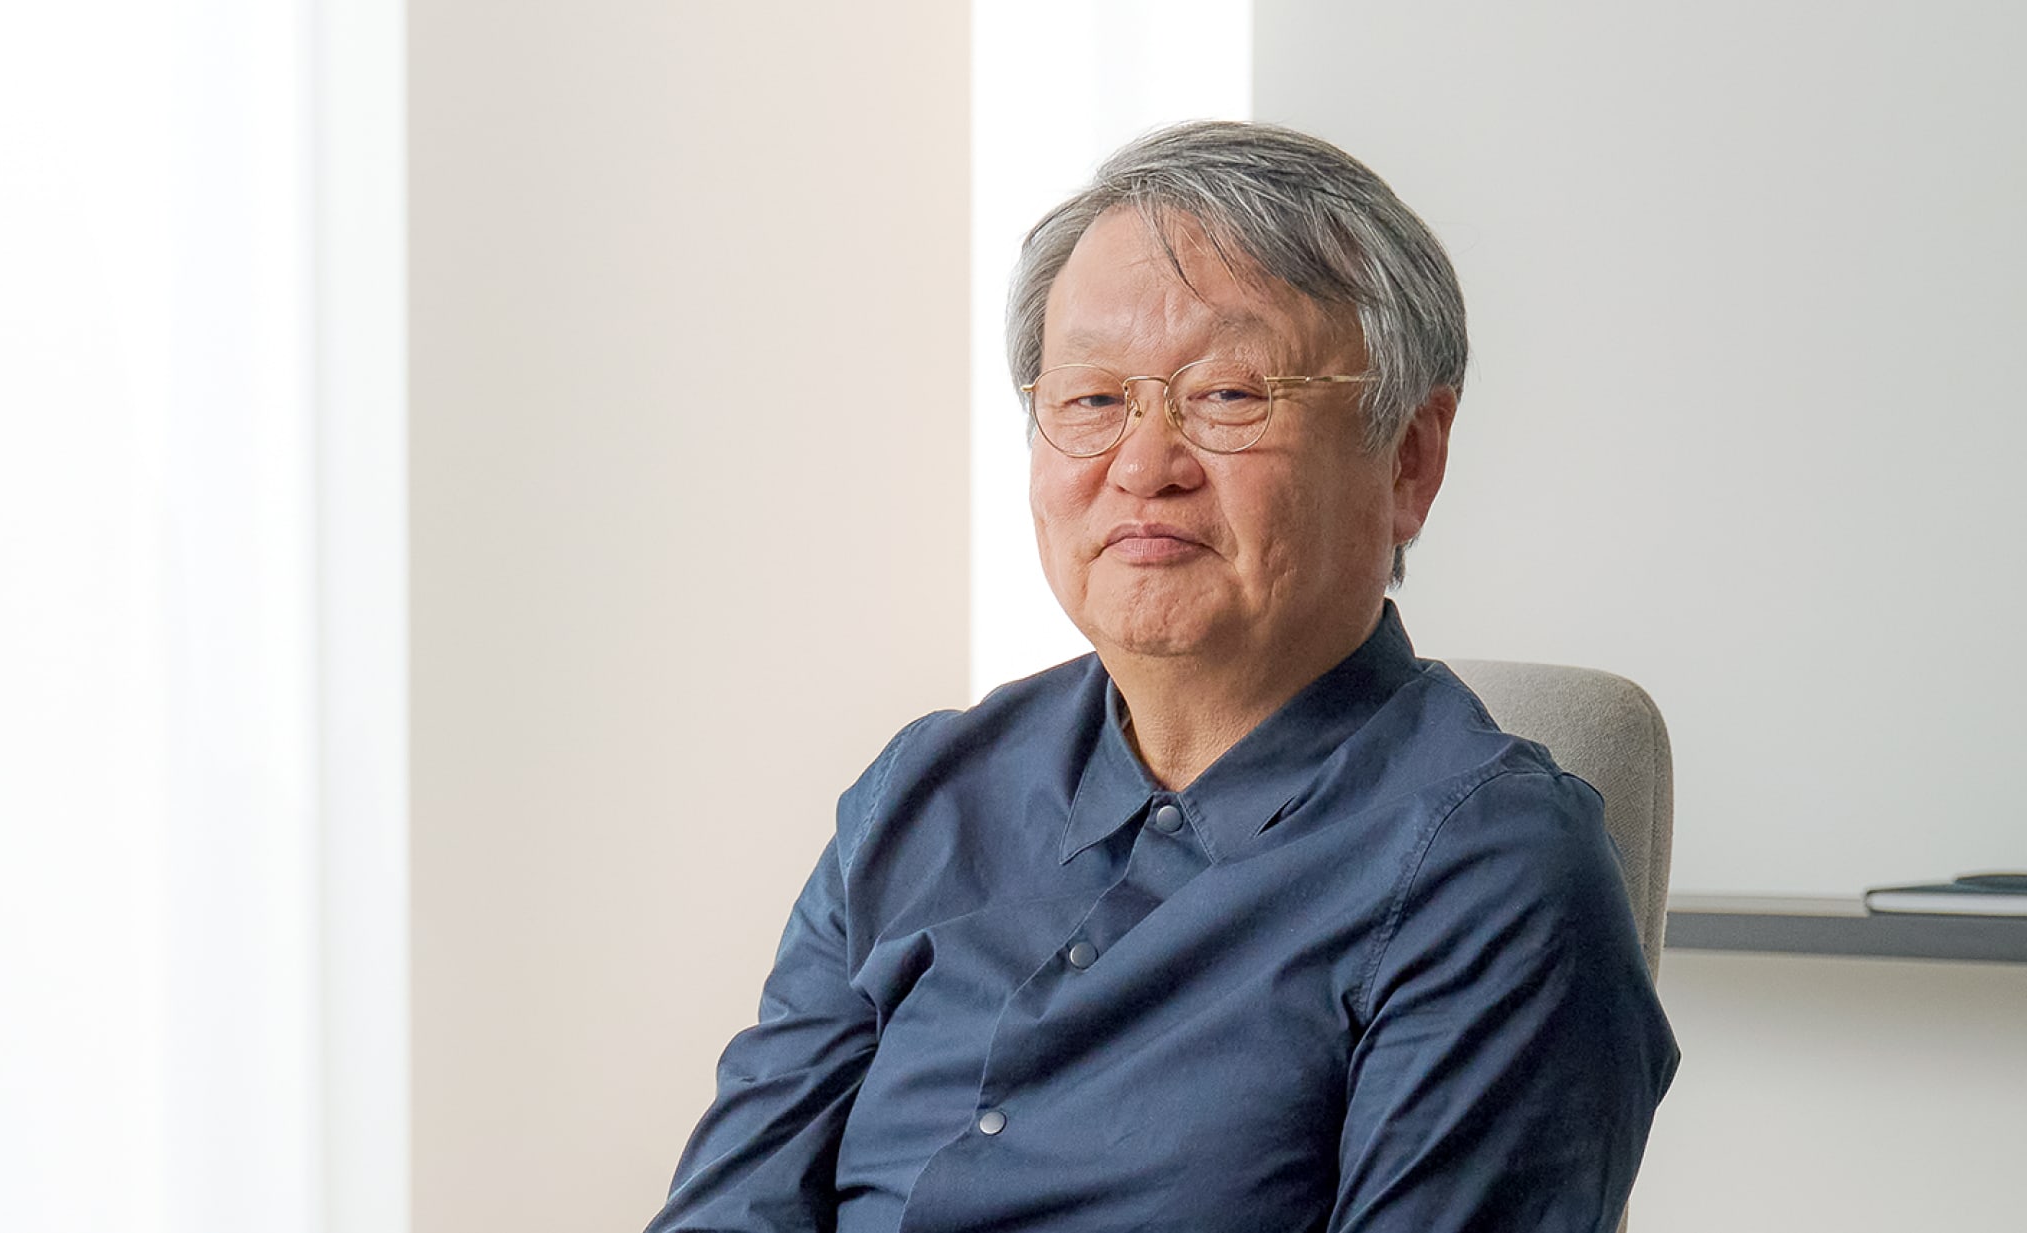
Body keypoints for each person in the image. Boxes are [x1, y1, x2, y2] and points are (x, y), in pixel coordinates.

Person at [645, 121, 1678, 1233]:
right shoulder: (927, 790)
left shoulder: (1493, 875)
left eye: (1229, 394)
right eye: (1092, 400)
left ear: (1410, 460)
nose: (1143, 465)